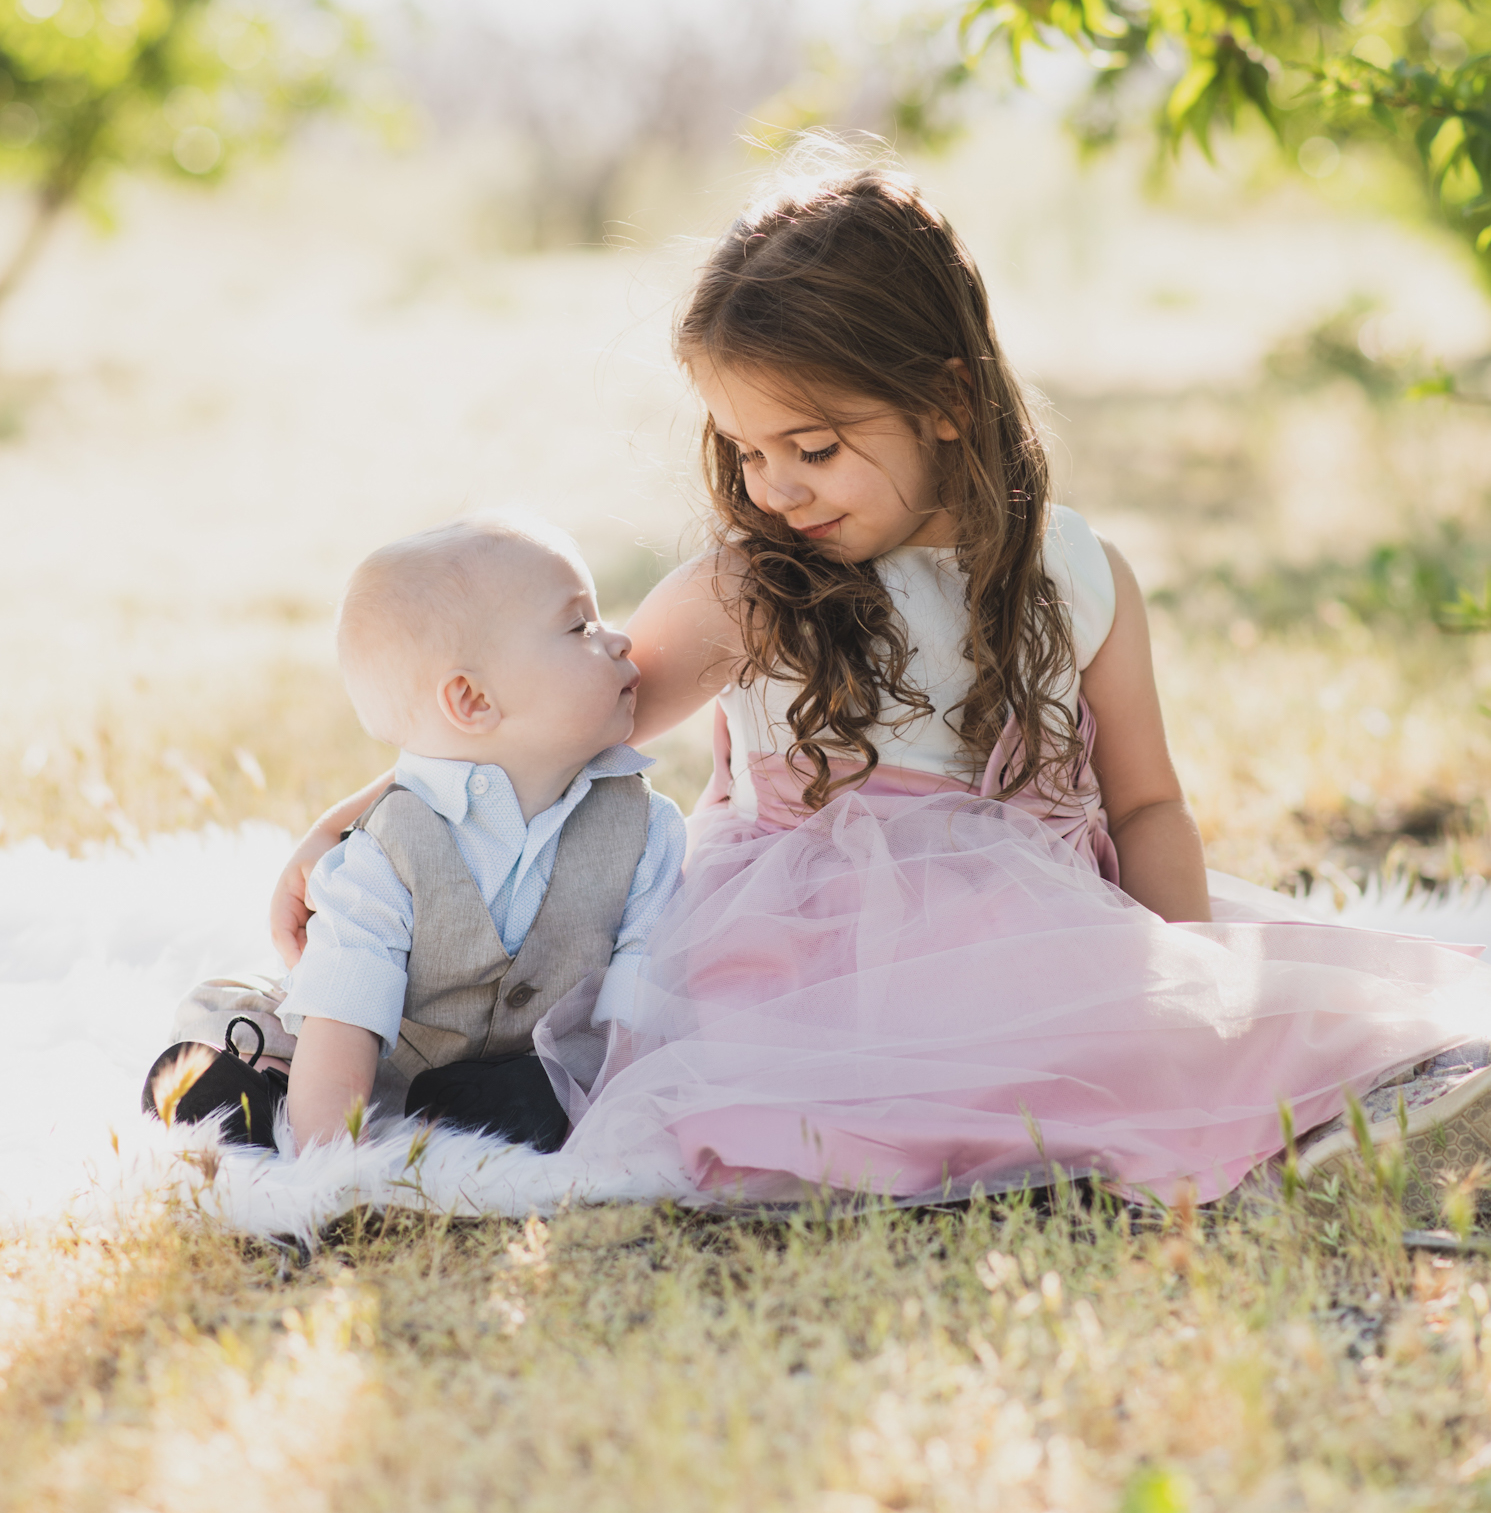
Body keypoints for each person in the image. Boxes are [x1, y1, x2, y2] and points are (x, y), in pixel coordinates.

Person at [272, 162, 1491, 1212]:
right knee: (793, 1094)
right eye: (745, 451)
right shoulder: (754, 585)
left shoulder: (1080, 571)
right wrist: (363, 820)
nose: (774, 489)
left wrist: (1187, 982)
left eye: (812, 448)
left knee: (1192, 1044)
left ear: (948, 400)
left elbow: (1150, 806)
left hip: (1035, 926)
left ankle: (1292, 1123)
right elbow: (559, 724)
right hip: (789, 943)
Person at [145, 514, 685, 1153]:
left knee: (556, 1092)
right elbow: (346, 1010)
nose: (622, 641)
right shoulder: (388, 849)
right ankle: (259, 1089)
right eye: (580, 626)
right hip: (377, 1056)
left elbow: (639, 1000)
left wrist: (622, 1103)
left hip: (535, 1060)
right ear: (474, 701)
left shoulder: (646, 826)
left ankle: (505, 1110)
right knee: (271, 1038)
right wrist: (328, 1153)